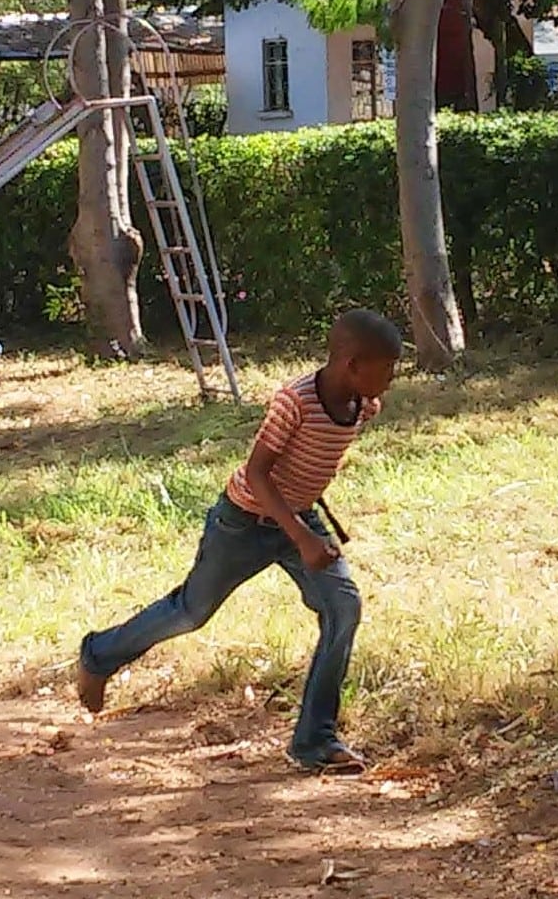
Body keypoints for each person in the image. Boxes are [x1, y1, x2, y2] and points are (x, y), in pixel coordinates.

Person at [76, 309, 404, 773]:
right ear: (352, 364)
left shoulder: (362, 404)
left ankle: (314, 740)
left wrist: (307, 526)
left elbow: (316, 457)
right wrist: (304, 539)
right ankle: (99, 655)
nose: (391, 380)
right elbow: (257, 473)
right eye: (386, 369)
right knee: (190, 612)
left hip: (298, 520)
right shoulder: (293, 400)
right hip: (244, 522)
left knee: (343, 607)